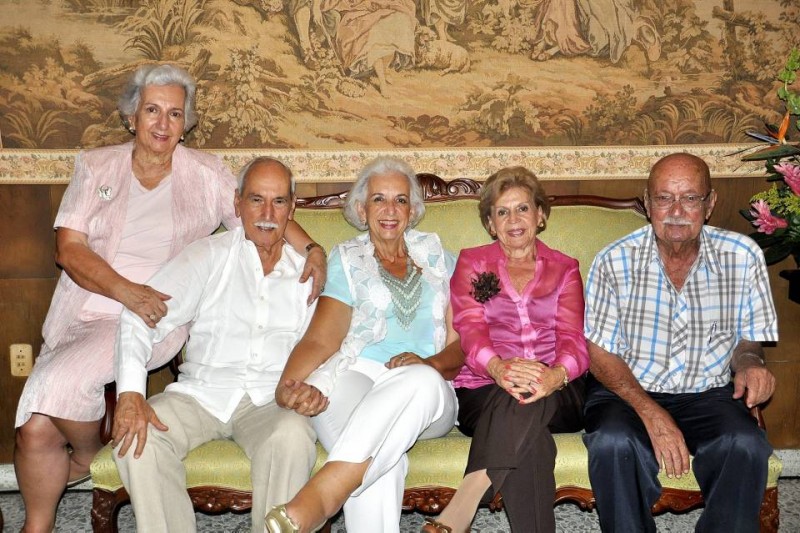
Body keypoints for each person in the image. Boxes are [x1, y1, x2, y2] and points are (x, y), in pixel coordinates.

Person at [13, 64, 325, 533]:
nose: (162, 123)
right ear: (132, 116)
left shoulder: (204, 173)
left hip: (159, 308)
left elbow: (262, 210)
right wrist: (127, 296)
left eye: (174, 113)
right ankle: (45, 514)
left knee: (51, 397)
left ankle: (84, 459)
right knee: (36, 425)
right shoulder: (96, 166)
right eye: (152, 110)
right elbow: (69, 249)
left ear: (186, 122)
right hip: (92, 304)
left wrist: (312, 247)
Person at [111, 157, 321, 533]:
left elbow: (329, 343)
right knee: (136, 439)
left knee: (293, 436)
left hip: (271, 399)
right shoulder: (207, 256)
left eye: (278, 202)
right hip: (201, 396)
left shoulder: (310, 275)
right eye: (257, 200)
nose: (267, 213)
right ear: (237, 203)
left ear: (292, 207)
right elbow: (139, 315)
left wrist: (314, 387)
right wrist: (129, 393)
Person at [263, 157, 464, 532]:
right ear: (361, 208)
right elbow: (322, 338)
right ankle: (333, 492)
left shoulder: (438, 256)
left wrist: (430, 363)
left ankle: (322, 495)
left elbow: (461, 346)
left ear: (413, 209)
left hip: (429, 387)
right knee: (384, 456)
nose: (390, 210)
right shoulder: (345, 259)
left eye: (401, 200)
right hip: (358, 373)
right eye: (379, 200)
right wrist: (286, 386)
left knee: (416, 380)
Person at [582, 152, 778, 532]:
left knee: (746, 445)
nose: (676, 210)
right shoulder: (614, 260)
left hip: (707, 391)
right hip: (627, 390)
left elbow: (748, 341)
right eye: (663, 198)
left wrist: (752, 363)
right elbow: (599, 354)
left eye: (689, 198)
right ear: (646, 201)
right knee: (612, 443)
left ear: (710, 204)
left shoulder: (743, 256)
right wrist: (652, 413)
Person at [423, 166, 589, 533]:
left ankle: (463, 504)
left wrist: (554, 376)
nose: (513, 220)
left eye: (523, 209)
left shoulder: (565, 269)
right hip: (484, 388)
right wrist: (498, 368)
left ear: (540, 215)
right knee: (531, 439)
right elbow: (469, 329)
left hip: (559, 390)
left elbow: (573, 339)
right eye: (502, 212)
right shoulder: (472, 262)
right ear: (490, 224)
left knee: (528, 394)